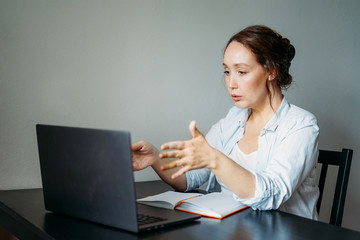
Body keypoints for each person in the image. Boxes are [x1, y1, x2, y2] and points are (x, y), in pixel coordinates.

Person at [132, 25, 319, 220]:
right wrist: (154, 157)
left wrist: (215, 159)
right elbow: (190, 179)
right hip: (231, 228)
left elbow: (270, 196)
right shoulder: (233, 119)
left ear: (271, 70)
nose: (231, 83)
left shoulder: (301, 125)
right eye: (227, 72)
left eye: (242, 72)